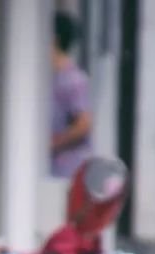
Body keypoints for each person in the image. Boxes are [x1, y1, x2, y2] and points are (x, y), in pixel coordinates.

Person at [50, 12, 92, 181]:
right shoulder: (53, 76)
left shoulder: (72, 79)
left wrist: (51, 144)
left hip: (68, 169)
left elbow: (83, 124)